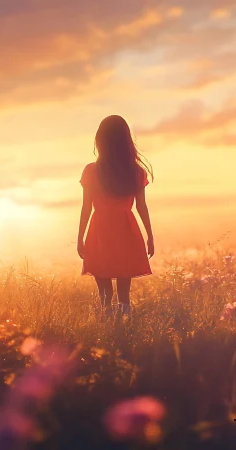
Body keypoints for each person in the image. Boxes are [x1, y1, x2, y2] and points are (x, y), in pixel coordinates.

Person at [77, 115, 154, 318]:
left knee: (104, 291)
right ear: (126, 141)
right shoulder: (135, 172)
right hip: (125, 227)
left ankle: (107, 323)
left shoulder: (91, 171)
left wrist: (80, 237)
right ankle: (124, 325)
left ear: (100, 140)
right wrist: (150, 236)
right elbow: (141, 207)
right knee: (124, 291)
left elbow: (86, 208)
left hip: (100, 228)